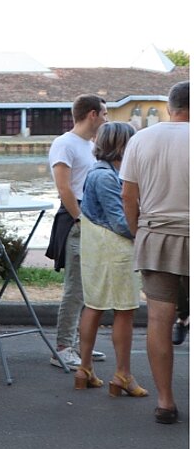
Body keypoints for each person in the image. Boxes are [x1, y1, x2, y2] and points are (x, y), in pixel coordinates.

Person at [121, 80, 189, 425]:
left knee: (158, 321)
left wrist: (138, 232)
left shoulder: (142, 138)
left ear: (169, 106)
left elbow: (128, 196)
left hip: (157, 236)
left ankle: (165, 402)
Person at [74, 122, 145, 395]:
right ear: (122, 145)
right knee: (124, 311)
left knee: (94, 305)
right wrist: (144, 232)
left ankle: (85, 369)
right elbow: (120, 222)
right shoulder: (106, 177)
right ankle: (122, 375)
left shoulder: (98, 172)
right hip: (114, 252)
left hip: (97, 250)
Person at [48, 94, 109, 370]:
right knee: (75, 289)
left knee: (89, 288)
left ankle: (80, 343)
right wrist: (80, 219)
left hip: (92, 219)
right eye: (105, 114)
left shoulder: (90, 145)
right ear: (93, 114)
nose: (107, 119)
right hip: (77, 221)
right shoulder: (65, 143)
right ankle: (62, 347)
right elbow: (65, 187)